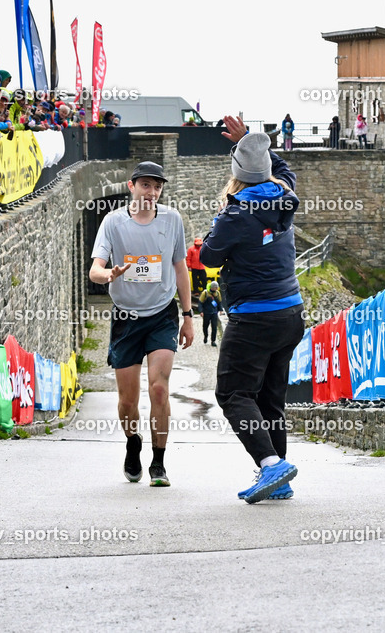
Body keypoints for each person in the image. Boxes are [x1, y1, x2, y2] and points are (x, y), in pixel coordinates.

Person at [200, 115, 304, 504]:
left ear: (236, 175)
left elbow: (210, 256)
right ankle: (280, 476)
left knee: (232, 392)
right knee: (270, 399)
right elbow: (284, 168)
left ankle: (270, 463)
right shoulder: (285, 195)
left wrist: (214, 230)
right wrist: (252, 142)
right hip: (291, 313)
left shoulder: (235, 215)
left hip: (254, 316)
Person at [90, 161, 194, 487]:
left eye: (157, 186)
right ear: (131, 186)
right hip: (125, 317)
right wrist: (107, 275)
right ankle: (133, 443)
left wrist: (189, 316)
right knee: (127, 400)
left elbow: (180, 269)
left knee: (160, 389)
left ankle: (159, 463)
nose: (152, 192)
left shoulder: (172, 220)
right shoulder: (113, 222)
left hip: (162, 314)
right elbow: (95, 269)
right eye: (146, 185)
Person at [199, 281, 223, 347]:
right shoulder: (205, 293)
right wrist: (201, 311)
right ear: (212, 287)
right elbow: (200, 302)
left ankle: (213, 340)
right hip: (206, 312)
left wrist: (221, 310)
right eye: (215, 287)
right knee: (205, 326)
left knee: (214, 327)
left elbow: (219, 302)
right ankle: (205, 336)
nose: (216, 288)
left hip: (214, 313)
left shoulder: (217, 293)